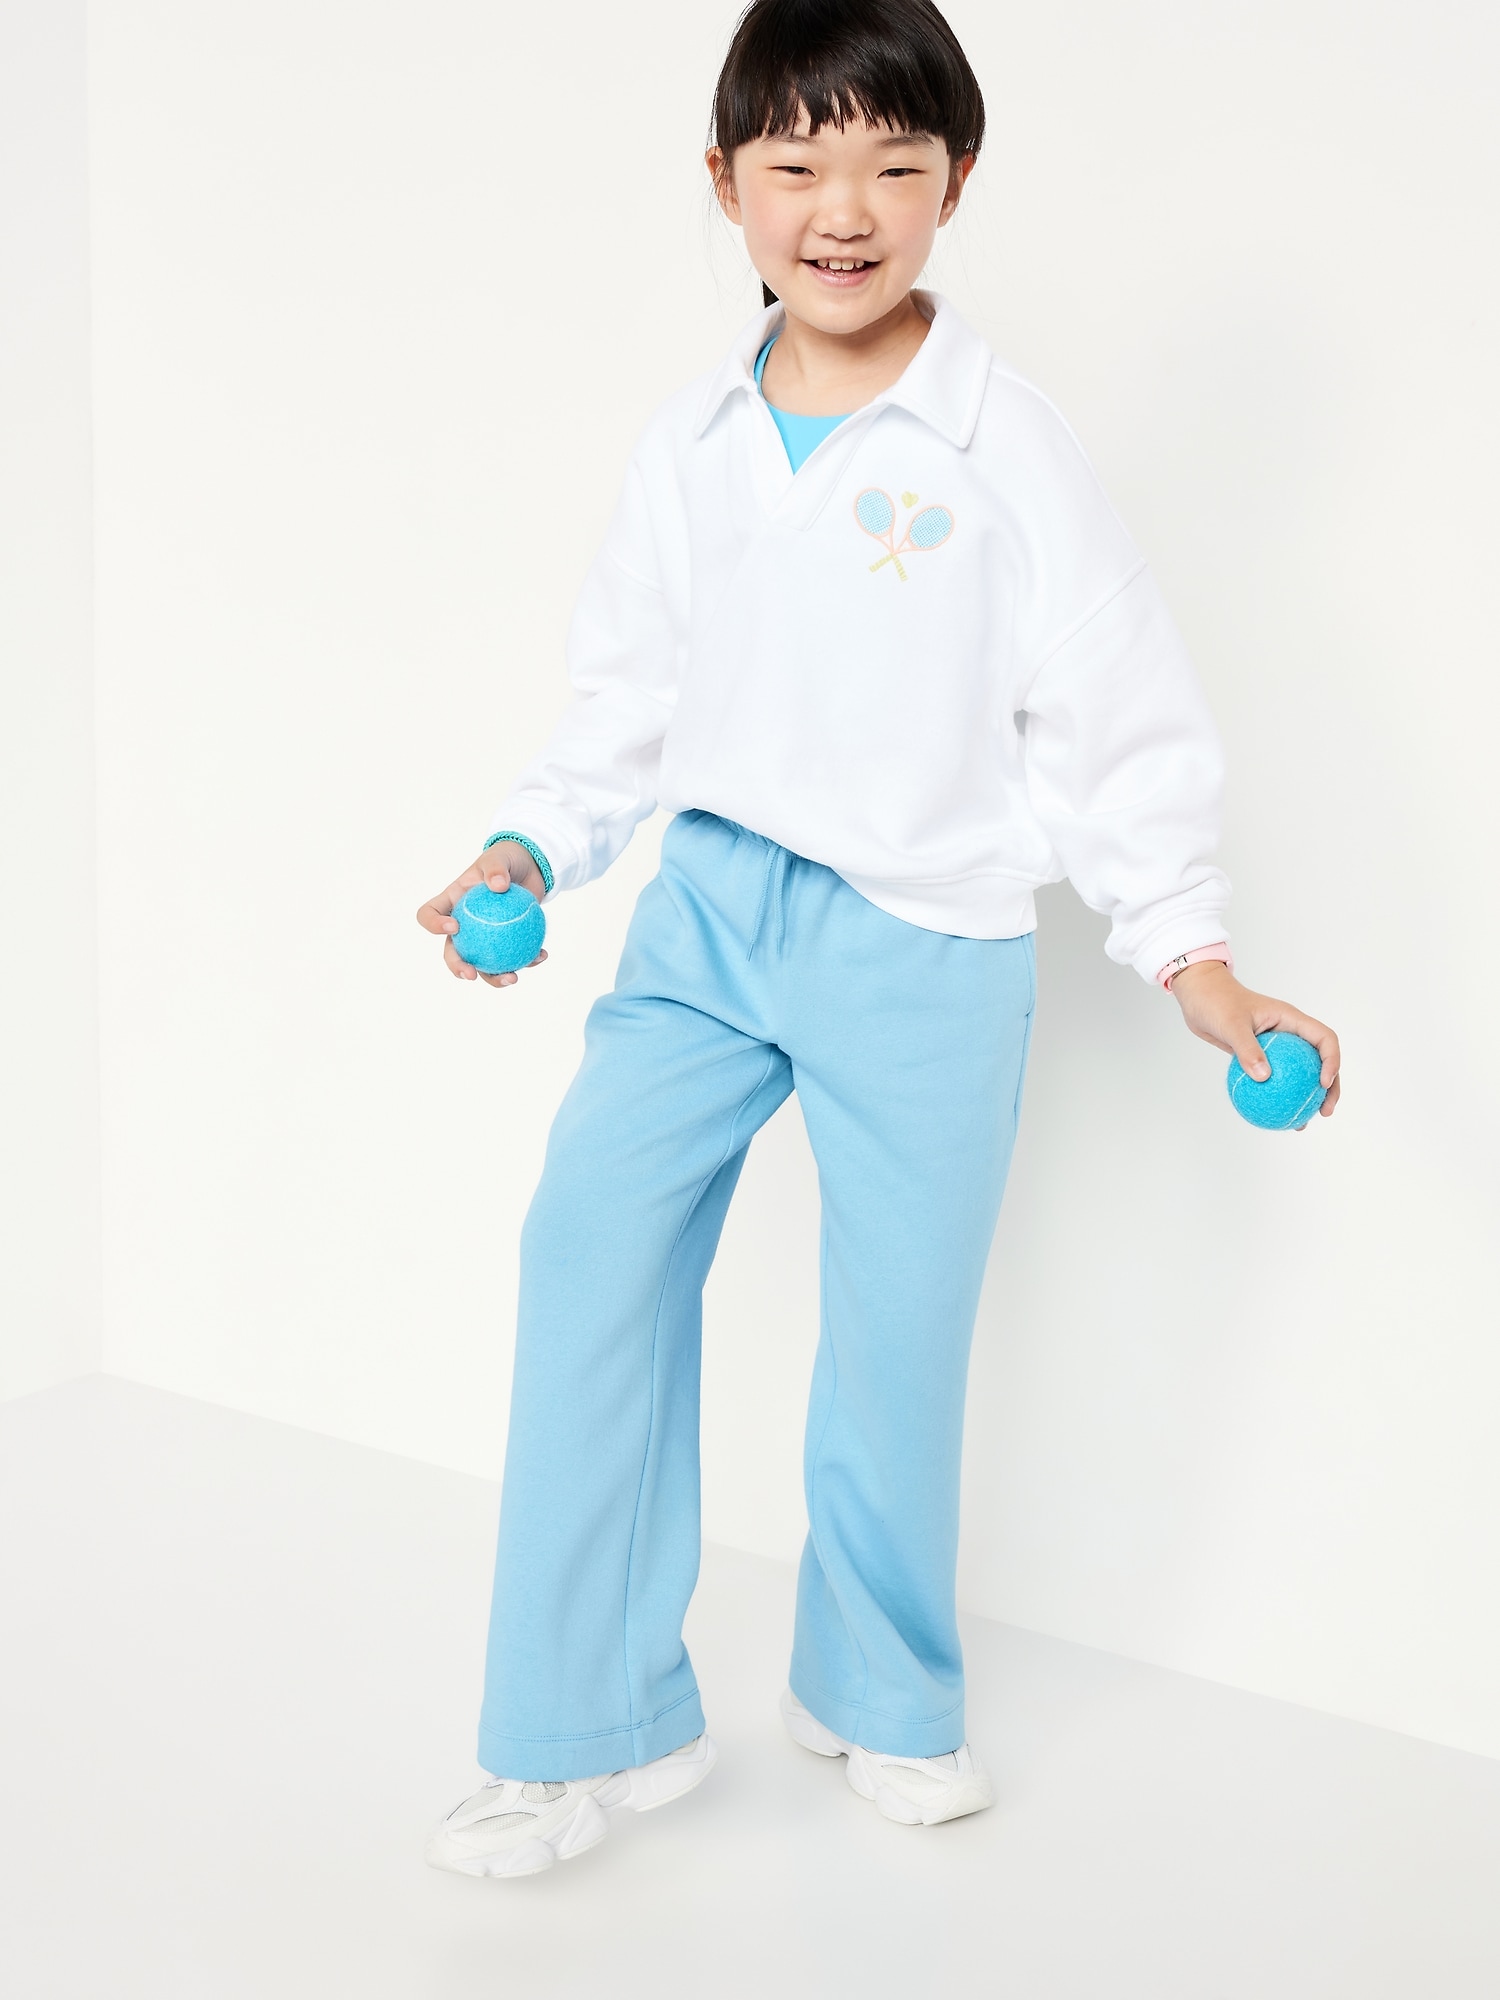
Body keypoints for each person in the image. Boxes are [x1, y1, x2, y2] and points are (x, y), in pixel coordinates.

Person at [417, 0, 1341, 1880]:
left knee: (897, 1338)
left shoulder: (1010, 447)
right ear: (726, 183)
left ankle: (882, 1693)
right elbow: (624, 700)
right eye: (798, 166)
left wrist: (1197, 962)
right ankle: (582, 1729)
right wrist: (530, 846)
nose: (842, 210)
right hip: (710, 917)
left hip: (927, 946)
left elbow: (1112, 716)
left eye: (891, 167)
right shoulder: (691, 444)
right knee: (590, 1258)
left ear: (954, 183)